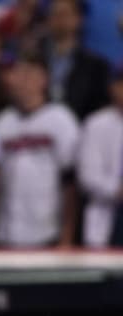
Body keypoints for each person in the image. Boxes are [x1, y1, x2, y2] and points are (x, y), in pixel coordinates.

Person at [0, 52, 79, 248]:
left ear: (44, 80)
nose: (23, 81)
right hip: (6, 233)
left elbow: (71, 182)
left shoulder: (61, 119)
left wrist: (67, 236)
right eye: (19, 74)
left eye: (30, 74)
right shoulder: (2, 122)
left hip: (47, 234)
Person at [77, 70, 123, 247]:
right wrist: (118, 190)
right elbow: (87, 176)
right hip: (106, 216)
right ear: (112, 88)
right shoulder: (96, 123)